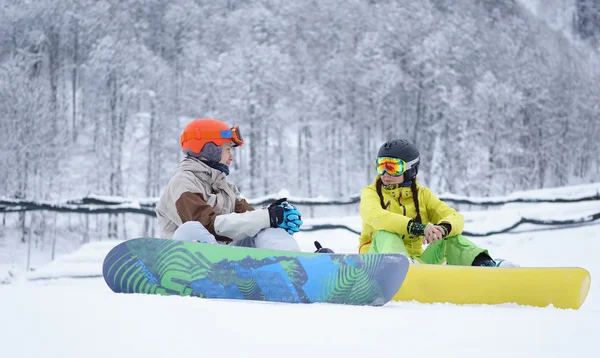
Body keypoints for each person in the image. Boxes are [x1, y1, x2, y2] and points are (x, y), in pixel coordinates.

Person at [156, 118, 331, 253]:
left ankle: (295, 266)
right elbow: (208, 225)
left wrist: (275, 219)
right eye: (227, 149)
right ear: (210, 149)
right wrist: (266, 217)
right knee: (191, 231)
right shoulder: (182, 183)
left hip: (229, 263)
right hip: (187, 265)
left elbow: (252, 219)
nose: (231, 156)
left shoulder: (226, 188)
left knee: (262, 229)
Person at [358, 138, 518, 267]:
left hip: (416, 264)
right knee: (385, 233)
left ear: (410, 170)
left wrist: (442, 229)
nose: (385, 173)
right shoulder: (371, 193)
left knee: (451, 237)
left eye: (392, 167)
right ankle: (400, 268)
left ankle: (485, 266)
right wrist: (417, 228)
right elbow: (376, 216)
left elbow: (455, 217)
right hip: (374, 264)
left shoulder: (423, 195)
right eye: (381, 166)